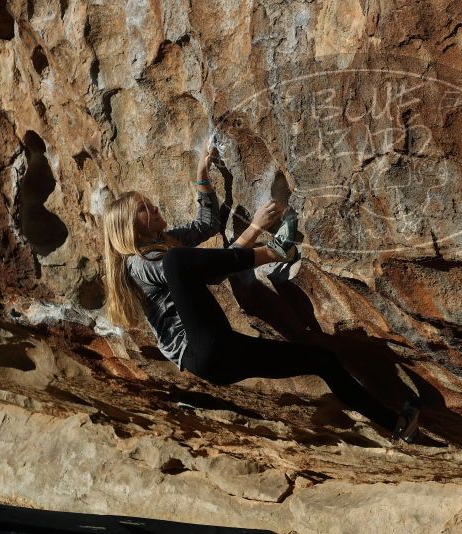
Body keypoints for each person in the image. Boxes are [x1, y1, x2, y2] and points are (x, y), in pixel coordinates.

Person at [101, 138, 420, 443]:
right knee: (177, 262)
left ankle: (398, 426)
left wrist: (202, 174)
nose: (153, 206)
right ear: (130, 225)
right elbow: (207, 274)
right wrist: (254, 229)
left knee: (322, 360)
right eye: (144, 208)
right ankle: (275, 251)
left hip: (222, 353)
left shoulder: (166, 244)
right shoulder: (140, 264)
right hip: (202, 350)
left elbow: (207, 225)